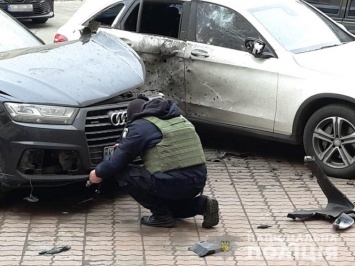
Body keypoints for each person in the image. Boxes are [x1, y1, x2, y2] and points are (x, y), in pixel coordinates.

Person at [89, 97, 219, 228]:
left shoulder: (141, 125)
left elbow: (118, 160)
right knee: (171, 208)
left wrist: (98, 173)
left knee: (122, 172)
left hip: (173, 184)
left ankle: (161, 216)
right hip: (198, 181)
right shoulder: (179, 119)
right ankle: (203, 204)